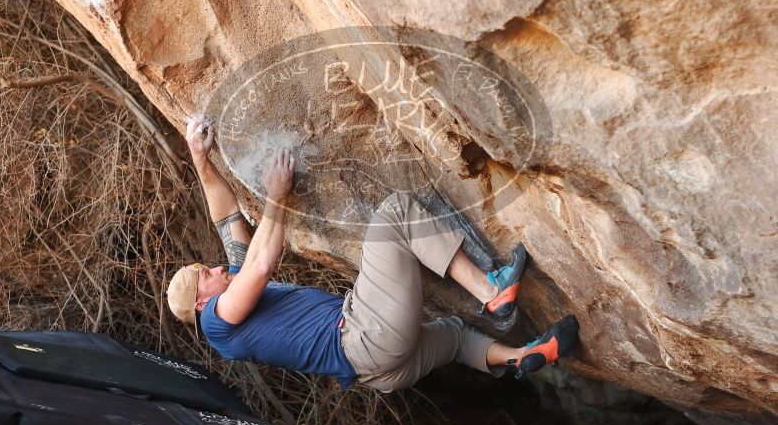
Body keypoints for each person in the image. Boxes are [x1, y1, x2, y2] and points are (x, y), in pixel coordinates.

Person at [167, 120, 578, 392]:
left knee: (453, 335)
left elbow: (227, 219)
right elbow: (261, 265)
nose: (217, 266)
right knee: (396, 213)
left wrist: (200, 157)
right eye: (206, 273)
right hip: (364, 338)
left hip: (381, 372)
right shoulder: (217, 321)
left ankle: (522, 356)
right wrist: (278, 194)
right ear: (202, 303)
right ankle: (492, 290)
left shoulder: (230, 290)